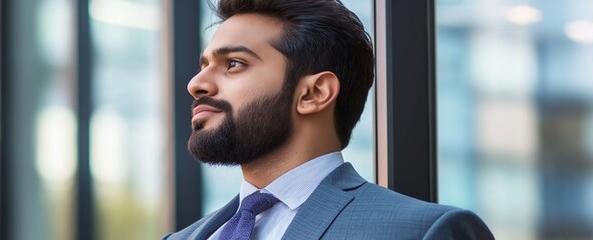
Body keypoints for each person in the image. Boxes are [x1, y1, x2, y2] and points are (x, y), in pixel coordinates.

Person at [163, 0, 494, 239]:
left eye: (234, 63)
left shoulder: (423, 232)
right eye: (203, 65)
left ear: (314, 93)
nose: (196, 84)